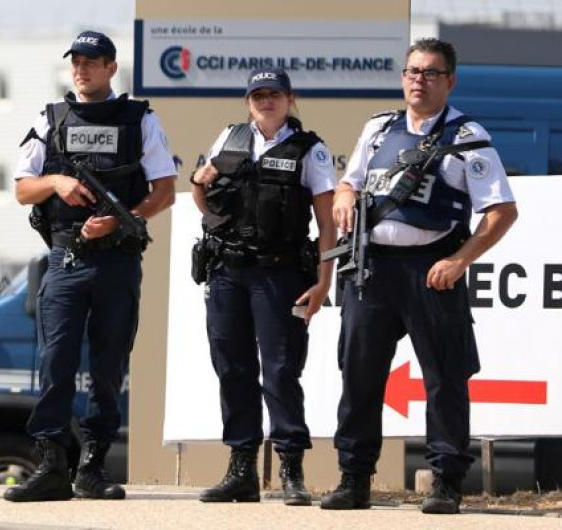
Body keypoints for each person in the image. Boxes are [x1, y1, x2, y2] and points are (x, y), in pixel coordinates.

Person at [320, 38, 517, 514]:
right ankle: (354, 478)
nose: (419, 81)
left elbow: (502, 211)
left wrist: (460, 261)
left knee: (445, 377)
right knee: (360, 375)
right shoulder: (379, 128)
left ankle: (447, 481)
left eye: (430, 73)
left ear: (449, 81)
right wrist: (345, 193)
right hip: (373, 270)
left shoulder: (468, 136)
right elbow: (353, 180)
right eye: (412, 71)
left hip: (432, 271)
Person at [5, 30, 176, 502]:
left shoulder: (139, 117)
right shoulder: (51, 117)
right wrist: (57, 180)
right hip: (65, 258)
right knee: (54, 362)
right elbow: (22, 189)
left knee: (107, 366)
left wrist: (125, 221)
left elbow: (163, 189)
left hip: (116, 259)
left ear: (110, 68)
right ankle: (51, 465)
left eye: (92, 61)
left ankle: (92, 469)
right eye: (76, 61)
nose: (81, 69)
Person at [190, 67, 336, 504]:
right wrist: (201, 187)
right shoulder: (230, 138)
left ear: (290, 99)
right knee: (232, 368)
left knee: (280, 370)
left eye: (274, 94)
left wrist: (324, 284)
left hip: (281, 273)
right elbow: (203, 194)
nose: (265, 101)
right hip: (228, 272)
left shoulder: (310, 149)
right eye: (258, 95)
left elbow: (328, 224)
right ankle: (241, 469)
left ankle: (291, 469)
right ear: (247, 101)